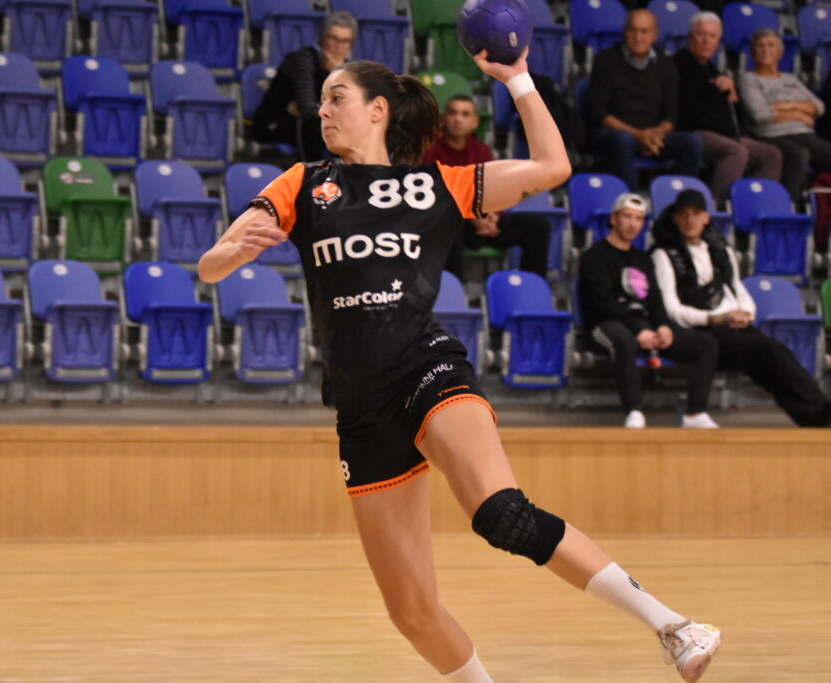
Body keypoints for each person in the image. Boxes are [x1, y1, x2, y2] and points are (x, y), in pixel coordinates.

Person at [199, 47, 721, 682]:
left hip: (428, 370)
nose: (324, 110)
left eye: (338, 98)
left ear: (378, 109)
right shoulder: (303, 182)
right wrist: (233, 254)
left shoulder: (435, 184)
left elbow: (553, 167)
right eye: (323, 100)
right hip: (361, 408)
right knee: (412, 613)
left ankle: (675, 626)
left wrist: (518, 79)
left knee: (501, 514)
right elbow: (211, 264)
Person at [651, 189, 831, 427]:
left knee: (777, 354)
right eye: (684, 214)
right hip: (700, 330)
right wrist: (715, 319)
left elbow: (737, 288)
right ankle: (820, 404)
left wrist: (746, 313)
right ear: (675, 218)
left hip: (732, 325)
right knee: (766, 351)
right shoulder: (663, 254)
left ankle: (812, 416)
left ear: (706, 217)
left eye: (695, 214)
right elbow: (672, 309)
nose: (689, 220)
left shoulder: (721, 250)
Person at [578, 192, 720, 429]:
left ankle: (695, 413)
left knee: (705, 343)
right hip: (604, 324)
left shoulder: (642, 258)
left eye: (638, 218)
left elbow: (654, 298)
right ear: (614, 219)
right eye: (627, 217)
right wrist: (639, 331)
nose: (632, 224)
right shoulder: (594, 256)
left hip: (643, 325)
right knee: (624, 341)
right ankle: (634, 411)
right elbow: (603, 304)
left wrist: (663, 326)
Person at [421, 93, 551, 280]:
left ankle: (533, 285)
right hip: (454, 223)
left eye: (465, 114)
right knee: (448, 223)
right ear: (443, 119)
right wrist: (472, 215)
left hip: (483, 219)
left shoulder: (482, 150)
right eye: (453, 113)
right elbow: (436, 194)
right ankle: (456, 288)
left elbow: (492, 187)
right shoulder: (430, 151)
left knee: (538, 225)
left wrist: (493, 216)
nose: (458, 119)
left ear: (475, 122)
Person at [585, 9, 703, 191]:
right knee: (623, 140)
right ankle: (632, 202)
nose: (638, 37)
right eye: (633, 30)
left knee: (692, 143)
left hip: (653, 136)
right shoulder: (605, 60)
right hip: (614, 133)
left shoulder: (666, 64)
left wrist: (657, 134)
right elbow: (597, 112)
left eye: (644, 31)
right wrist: (638, 135)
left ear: (655, 35)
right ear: (625, 32)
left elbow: (672, 115)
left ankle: (678, 199)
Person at [673, 12, 781, 206]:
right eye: (701, 35)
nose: (706, 41)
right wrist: (718, 90)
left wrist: (732, 94)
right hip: (694, 132)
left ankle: (755, 207)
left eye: (712, 36)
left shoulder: (713, 69)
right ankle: (716, 209)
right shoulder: (680, 63)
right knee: (736, 152)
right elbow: (692, 109)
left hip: (727, 134)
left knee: (771, 154)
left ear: (719, 42)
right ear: (690, 36)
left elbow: (734, 112)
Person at [739, 28, 831, 201]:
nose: (765, 50)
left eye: (771, 45)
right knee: (799, 154)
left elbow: (819, 107)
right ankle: (788, 206)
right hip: (770, 135)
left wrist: (788, 105)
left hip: (804, 134)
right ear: (753, 53)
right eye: (760, 46)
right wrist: (799, 115)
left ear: (780, 52)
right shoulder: (749, 79)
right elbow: (761, 115)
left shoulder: (790, 79)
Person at [252, 11, 357, 162]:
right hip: (275, 124)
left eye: (345, 41)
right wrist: (333, 75)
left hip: (307, 122)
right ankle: (312, 174)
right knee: (319, 125)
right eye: (333, 38)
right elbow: (309, 110)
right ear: (322, 37)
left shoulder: (349, 67)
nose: (338, 46)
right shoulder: (302, 59)